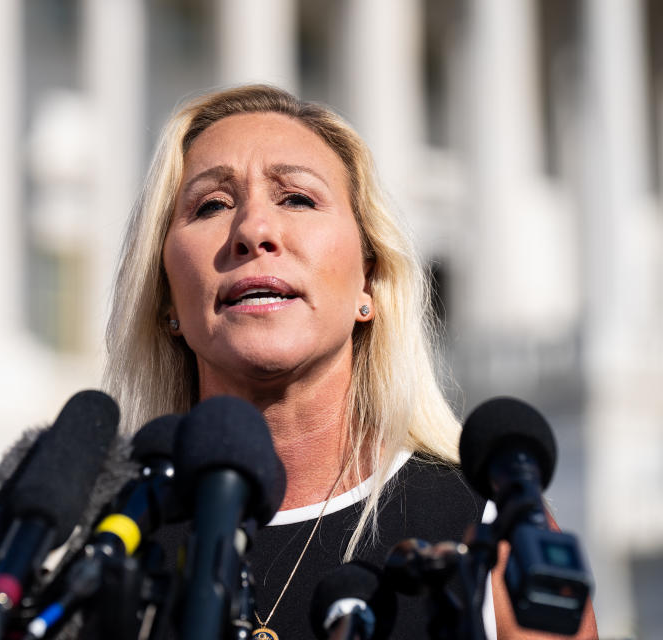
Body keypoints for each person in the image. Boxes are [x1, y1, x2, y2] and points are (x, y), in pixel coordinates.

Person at [103, 85, 597, 640]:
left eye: (297, 198)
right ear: (167, 297)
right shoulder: (92, 542)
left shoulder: (487, 536)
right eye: (211, 206)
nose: (253, 232)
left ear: (369, 278)